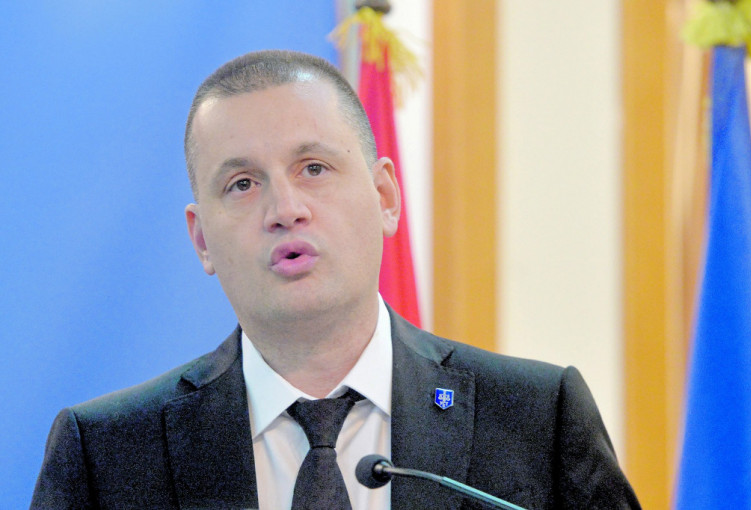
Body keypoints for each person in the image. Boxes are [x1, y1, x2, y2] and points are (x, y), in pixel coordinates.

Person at [31, 50, 640, 509]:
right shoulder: (106, 455)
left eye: (314, 168)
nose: (284, 209)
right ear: (202, 240)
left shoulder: (537, 419)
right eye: (242, 184)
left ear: (384, 197)